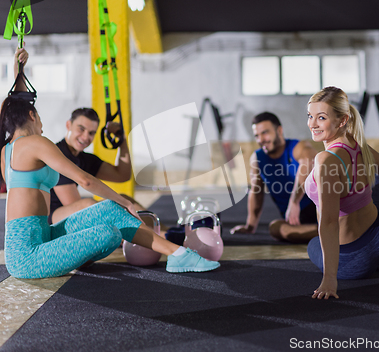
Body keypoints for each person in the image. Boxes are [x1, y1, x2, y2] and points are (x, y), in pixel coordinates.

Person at [0, 48, 220, 279]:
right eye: (40, 119)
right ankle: (177, 253)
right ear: (32, 116)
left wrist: (19, 71)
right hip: (28, 256)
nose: (42, 126)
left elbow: (18, 106)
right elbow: (85, 180)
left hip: (45, 238)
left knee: (109, 216)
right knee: (107, 233)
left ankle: (177, 254)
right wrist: (125, 201)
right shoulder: (35, 142)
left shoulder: (8, 150)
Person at [304, 86, 379, 300]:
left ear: (342, 120)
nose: (312, 124)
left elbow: (329, 222)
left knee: (313, 245)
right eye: (310, 116)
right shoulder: (356, 144)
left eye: (321, 117)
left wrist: (330, 278)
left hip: (353, 264)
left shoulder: (325, 160)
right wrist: (362, 152)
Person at [230, 112, 318, 243]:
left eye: (265, 133)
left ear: (279, 130)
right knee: (276, 229)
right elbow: (256, 191)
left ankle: (333, 226)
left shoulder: (299, 148)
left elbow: (309, 162)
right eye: (257, 136)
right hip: (296, 221)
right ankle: (332, 231)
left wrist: (294, 201)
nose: (261, 140)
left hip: (319, 209)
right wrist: (250, 225)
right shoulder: (257, 158)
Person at [48, 107, 136, 224]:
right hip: (50, 219)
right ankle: (143, 237)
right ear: (68, 125)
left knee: (126, 199)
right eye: (81, 129)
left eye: (91, 133)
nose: (85, 137)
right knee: (89, 205)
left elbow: (122, 175)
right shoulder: (59, 155)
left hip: (69, 214)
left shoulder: (84, 158)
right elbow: (79, 209)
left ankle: (163, 233)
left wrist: (122, 141)